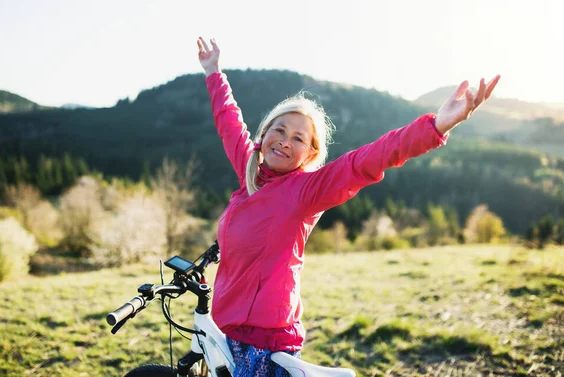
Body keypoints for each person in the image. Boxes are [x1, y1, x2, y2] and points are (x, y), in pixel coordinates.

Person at [196, 36, 499, 377]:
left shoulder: (306, 191)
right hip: (225, 324)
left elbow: (367, 160)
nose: (285, 140)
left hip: (263, 339)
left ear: (310, 154)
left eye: (298, 138)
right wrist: (213, 71)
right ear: (263, 136)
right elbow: (228, 121)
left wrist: (437, 125)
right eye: (279, 130)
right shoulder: (249, 171)